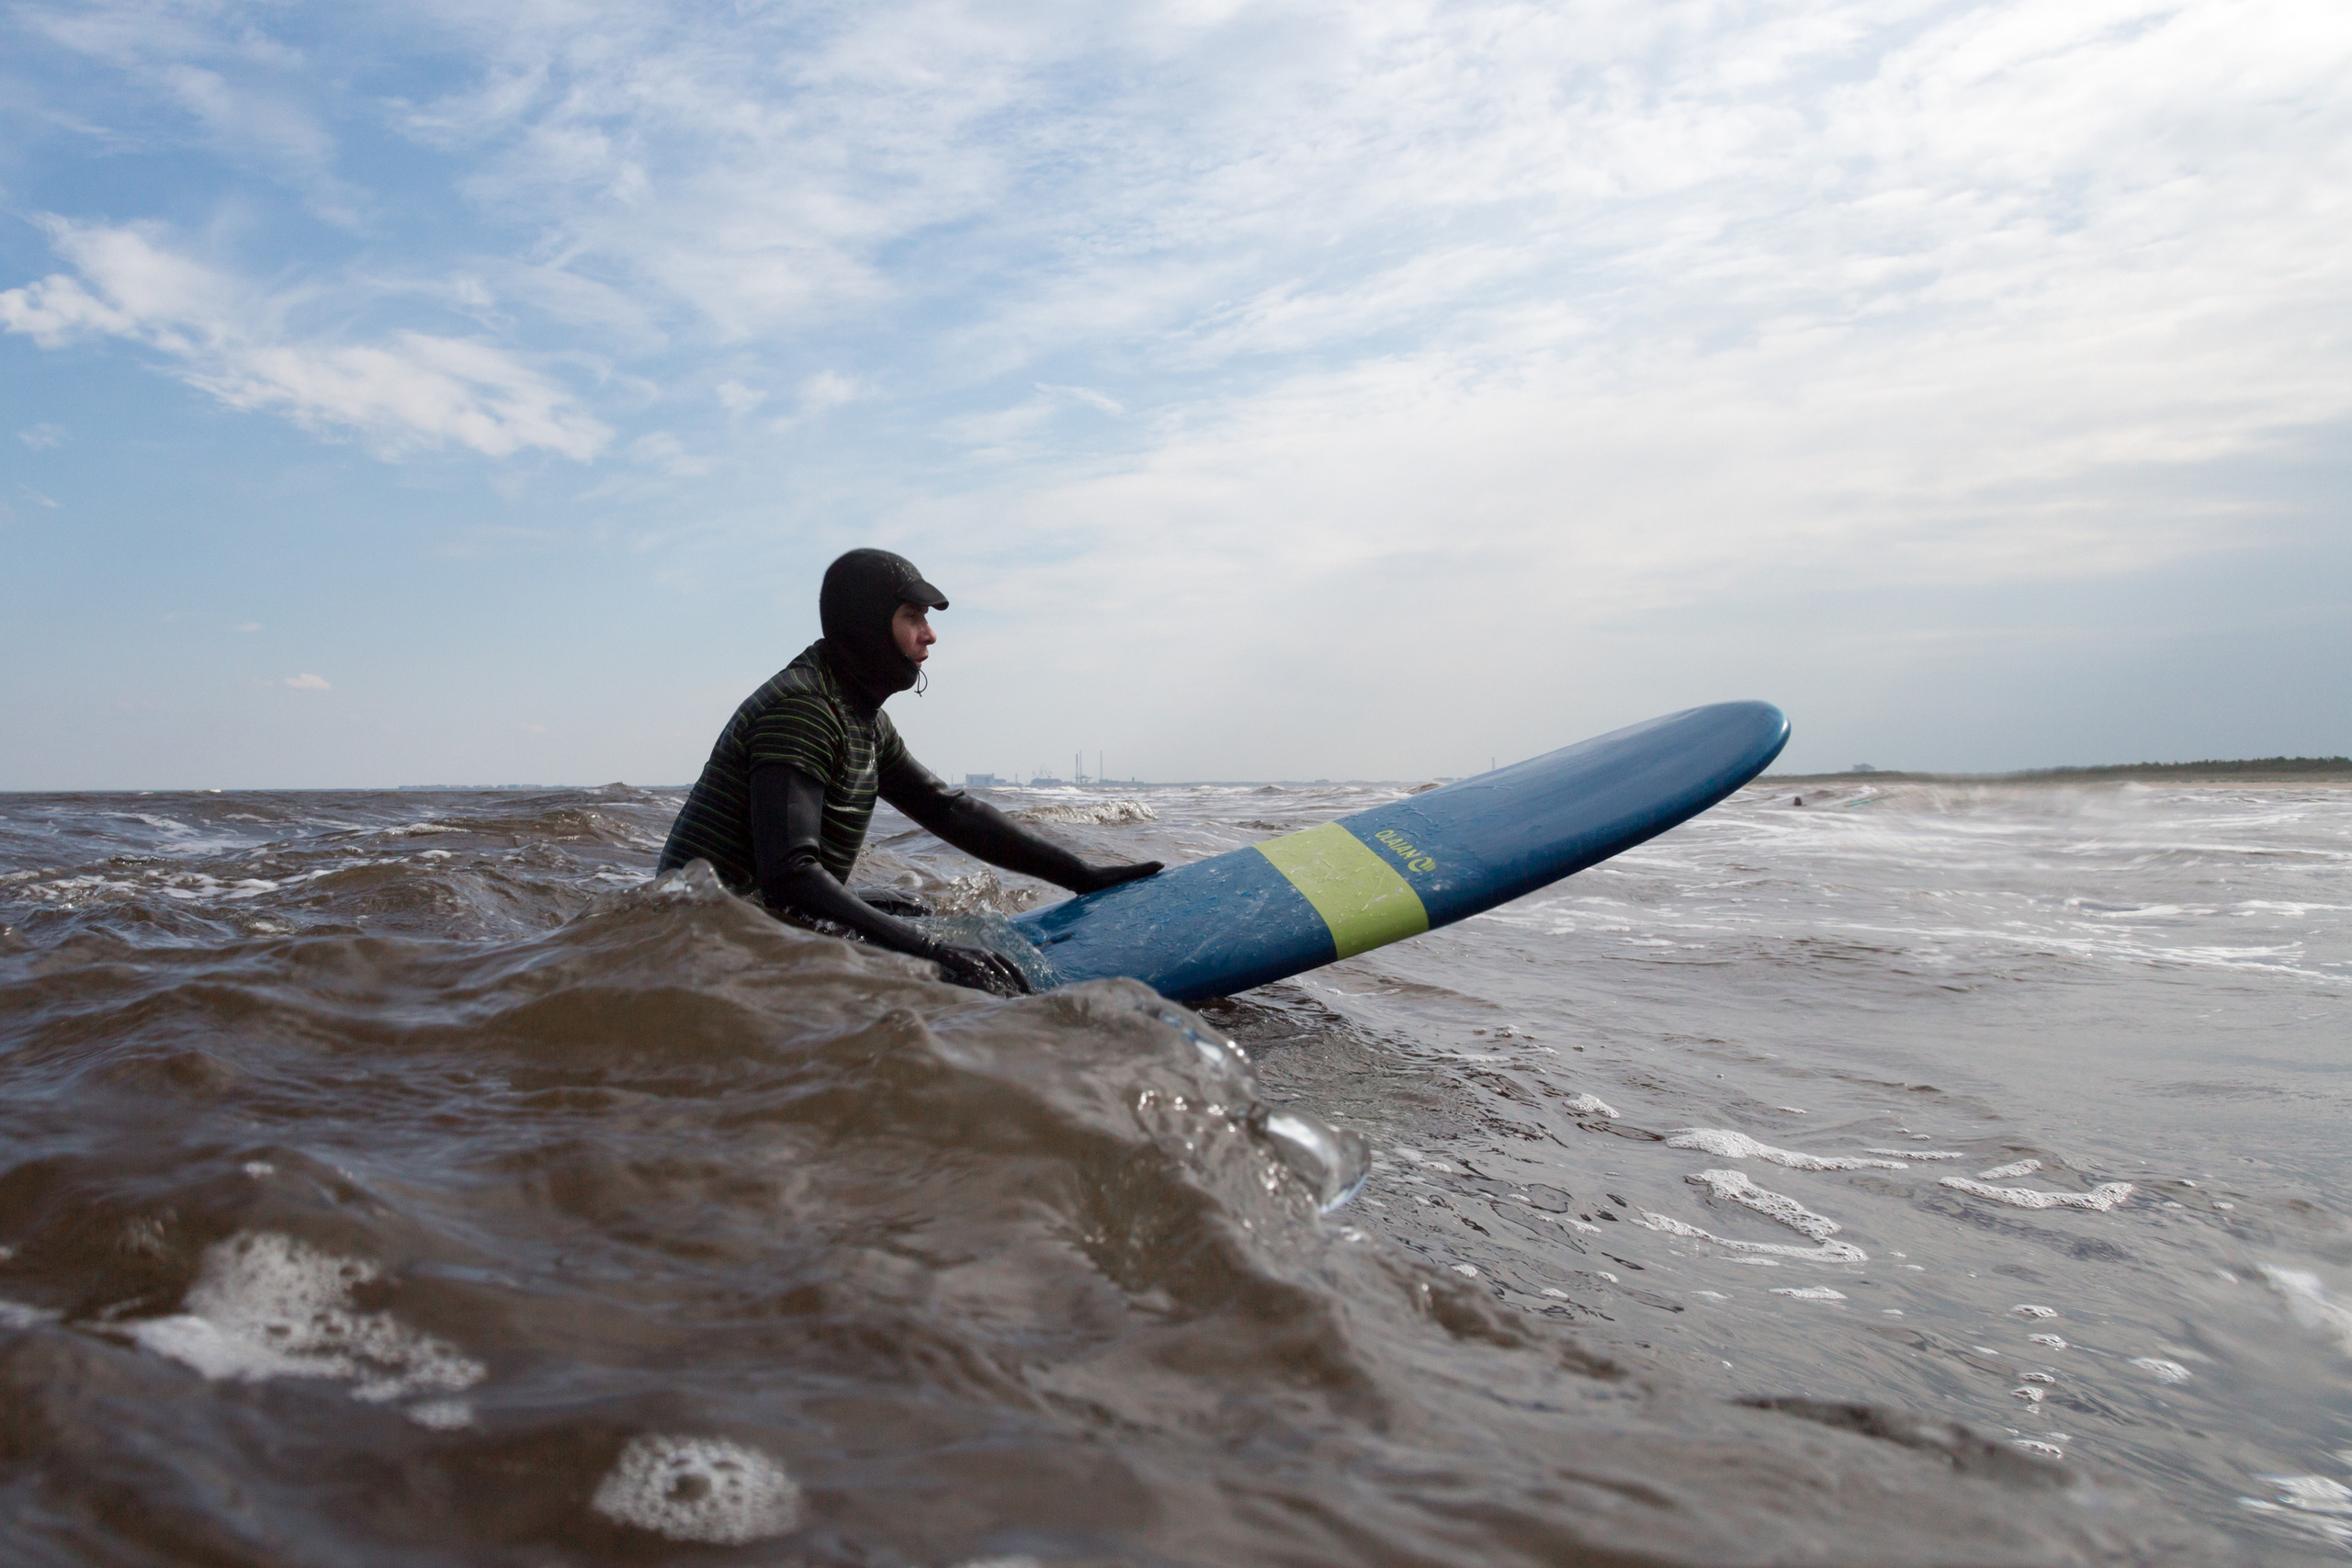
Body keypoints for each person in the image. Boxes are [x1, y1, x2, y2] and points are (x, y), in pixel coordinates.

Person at [656, 548, 1161, 994]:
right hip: (697, 944)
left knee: (909, 909)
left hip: (757, 914)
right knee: (916, 937)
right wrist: (930, 955)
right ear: (868, 625)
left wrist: (1083, 876)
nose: (930, 635)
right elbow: (789, 874)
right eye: (912, 617)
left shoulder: (859, 714)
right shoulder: (804, 708)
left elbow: (947, 810)